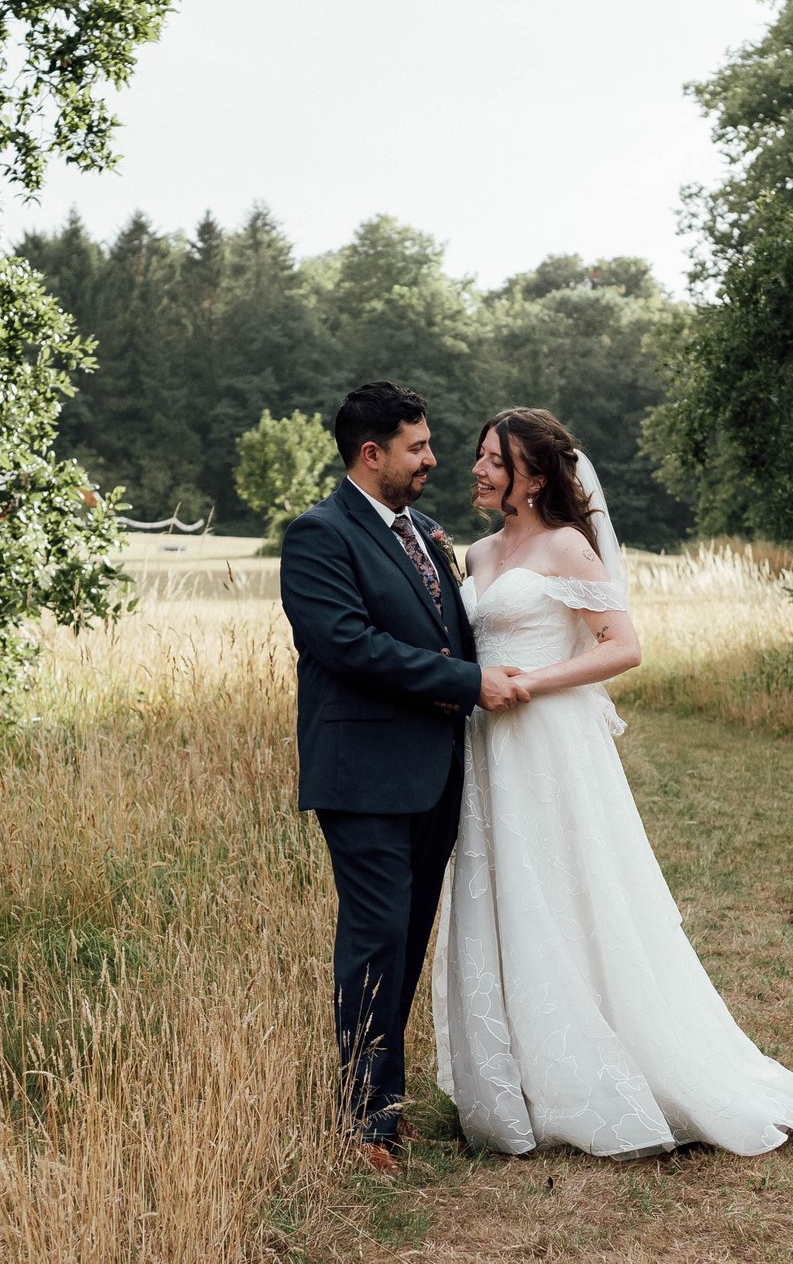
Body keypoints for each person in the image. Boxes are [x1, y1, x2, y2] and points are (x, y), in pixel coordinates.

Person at [435, 406, 793, 1158]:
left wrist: (531, 681)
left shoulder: (567, 546)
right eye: (478, 455)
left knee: (568, 891)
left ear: (534, 476)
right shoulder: (473, 552)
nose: (478, 468)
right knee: (505, 893)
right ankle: (525, 1077)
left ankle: (608, 1071)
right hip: (488, 747)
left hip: (546, 738)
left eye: (494, 459)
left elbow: (622, 646)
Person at [279, 381, 531, 1174]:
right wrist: (466, 684)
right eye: (418, 446)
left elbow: (445, 625)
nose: (433, 458)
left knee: (408, 938)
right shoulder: (318, 536)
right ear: (371, 453)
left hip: (434, 773)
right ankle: (359, 1122)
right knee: (374, 937)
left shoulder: (424, 530)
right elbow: (350, 645)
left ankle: (383, 1103)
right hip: (361, 775)